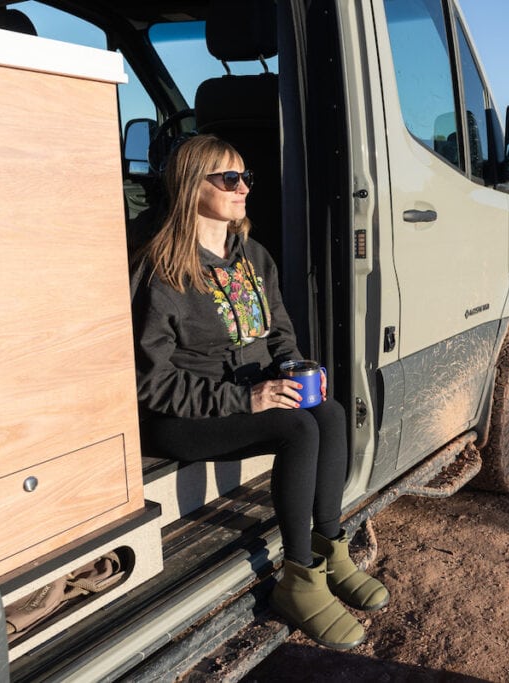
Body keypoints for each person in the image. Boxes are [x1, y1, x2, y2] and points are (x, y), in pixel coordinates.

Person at [130, 134, 387, 651]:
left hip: (249, 394)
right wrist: (245, 400)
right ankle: (298, 578)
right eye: (229, 178)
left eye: (247, 177)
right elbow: (149, 383)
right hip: (181, 416)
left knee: (329, 413)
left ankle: (330, 547)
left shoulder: (253, 258)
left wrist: (295, 368)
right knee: (293, 428)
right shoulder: (161, 271)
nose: (244, 186)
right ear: (190, 184)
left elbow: (279, 331)